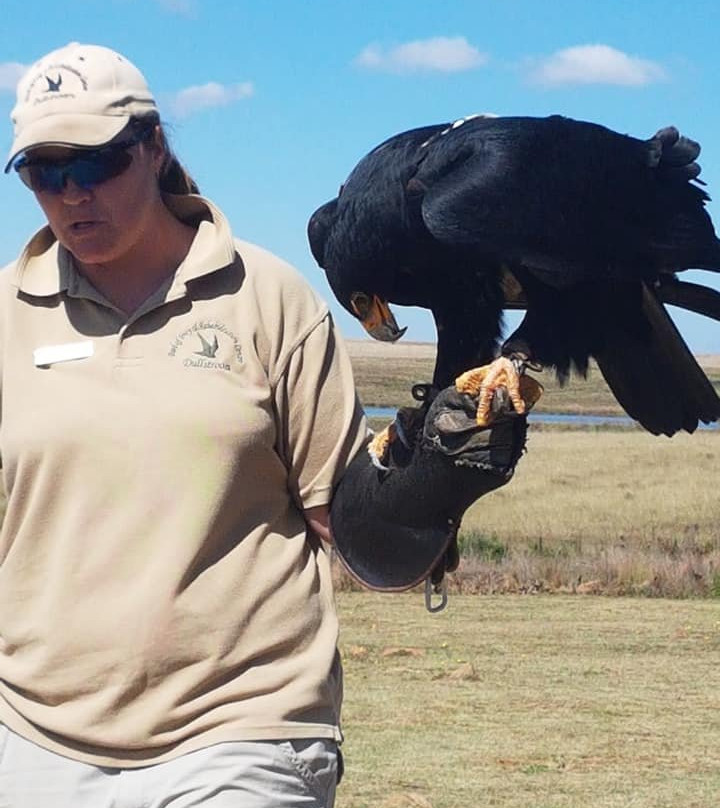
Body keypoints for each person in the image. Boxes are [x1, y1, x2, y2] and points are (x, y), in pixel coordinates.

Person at [0, 43, 532, 807]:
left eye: (94, 164)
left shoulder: (267, 299)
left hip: (243, 729)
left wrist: (426, 492)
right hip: (34, 735)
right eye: (43, 173)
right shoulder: (5, 314)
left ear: (153, 148)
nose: (72, 193)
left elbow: (352, 533)